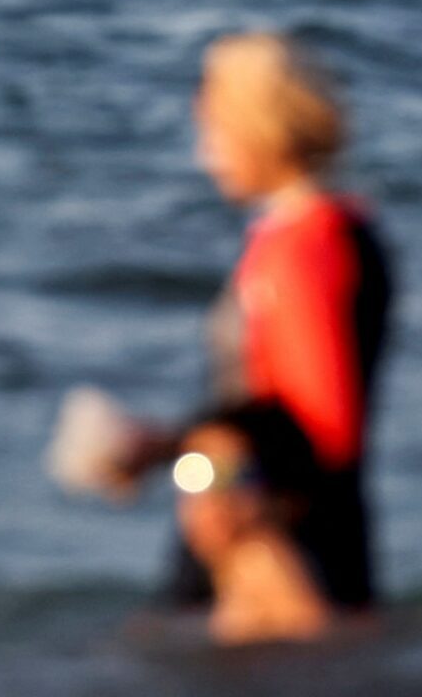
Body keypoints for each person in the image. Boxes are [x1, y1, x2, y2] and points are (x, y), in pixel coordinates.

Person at [115, 31, 395, 613]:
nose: (205, 155)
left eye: (212, 132)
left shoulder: (304, 247)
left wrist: (194, 467)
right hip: (300, 515)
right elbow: (274, 414)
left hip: (269, 531)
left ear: (257, 128)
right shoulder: (338, 229)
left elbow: (319, 427)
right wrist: (170, 450)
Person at [170, 404, 333, 646]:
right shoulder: (223, 578)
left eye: (237, 476)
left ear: (287, 500)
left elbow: (322, 646)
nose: (212, 497)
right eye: (195, 472)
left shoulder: (261, 561)